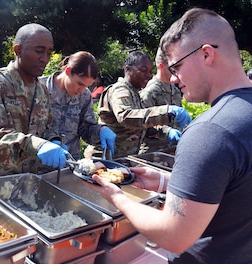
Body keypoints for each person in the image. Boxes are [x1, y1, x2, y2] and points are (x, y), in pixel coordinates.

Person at [86, 8, 252, 263]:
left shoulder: (210, 131)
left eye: (177, 66)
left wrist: (118, 198)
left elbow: (173, 235)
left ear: (206, 54)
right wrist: (167, 182)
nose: (173, 78)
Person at [0, 23, 68, 183]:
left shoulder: (41, 89)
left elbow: (46, 128)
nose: (45, 59)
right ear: (18, 50)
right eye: (39, 51)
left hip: (27, 184)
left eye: (49, 52)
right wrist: (36, 145)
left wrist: (53, 140)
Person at [84, 50, 191, 159]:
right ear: (127, 69)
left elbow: (141, 125)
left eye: (150, 71)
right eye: (144, 71)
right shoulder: (119, 90)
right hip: (103, 158)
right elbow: (126, 117)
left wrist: (166, 132)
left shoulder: (135, 93)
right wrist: (166, 112)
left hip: (121, 158)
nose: (149, 75)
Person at [39, 51, 116, 160]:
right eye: (80, 84)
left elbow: (85, 128)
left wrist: (100, 131)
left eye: (87, 86)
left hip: (70, 163)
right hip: (40, 164)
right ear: (68, 71)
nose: (82, 90)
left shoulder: (84, 96)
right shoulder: (39, 89)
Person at [139, 47, 183, 153]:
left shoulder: (174, 90)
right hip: (152, 152)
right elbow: (142, 125)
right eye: (172, 66)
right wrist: (167, 132)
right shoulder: (150, 92)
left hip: (173, 149)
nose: (175, 69)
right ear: (161, 66)